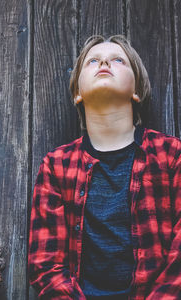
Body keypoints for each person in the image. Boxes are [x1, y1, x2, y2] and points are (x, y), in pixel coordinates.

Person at [28, 35, 181, 300]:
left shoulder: (171, 155)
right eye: (93, 61)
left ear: (136, 90)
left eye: (118, 60)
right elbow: (45, 265)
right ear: (77, 92)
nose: (105, 62)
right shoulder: (56, 166)